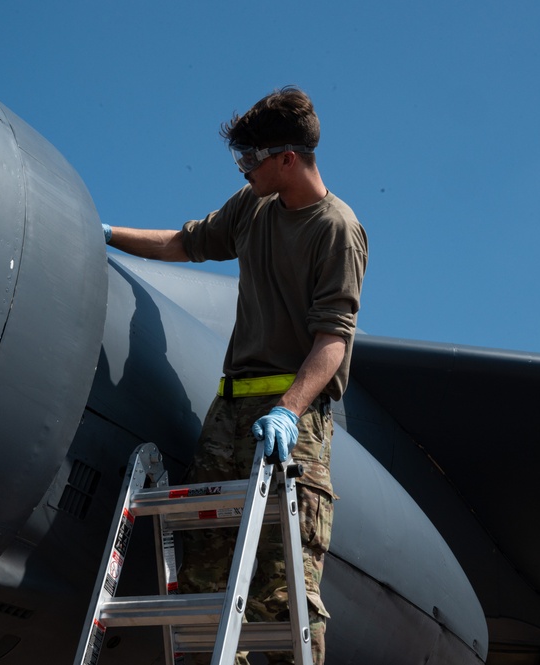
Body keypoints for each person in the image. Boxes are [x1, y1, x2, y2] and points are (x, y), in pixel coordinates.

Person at [103, 86, 367, 664]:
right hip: (228, 416)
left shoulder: (337, 230)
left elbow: (332, 343)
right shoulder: (253, 206)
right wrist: (104, 234)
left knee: (283, 591)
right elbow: (185, 242)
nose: (245, 171)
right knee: (203, 584)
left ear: (288, 159)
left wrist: (288, 410)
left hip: (289, 419)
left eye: (251, 160)